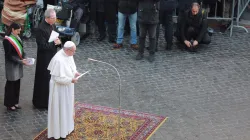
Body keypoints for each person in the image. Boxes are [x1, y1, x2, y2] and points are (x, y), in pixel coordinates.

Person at [47, 41, 80, 139]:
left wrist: (75, 72)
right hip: (59, 90)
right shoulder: (58, 60)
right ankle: (60, 131)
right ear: (67, 50)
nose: (74, 53)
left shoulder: (69, 54)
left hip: (68, 86)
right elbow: (57, 78)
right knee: (60, 109)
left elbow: (71, 66)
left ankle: (68, 127)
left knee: (68, 106)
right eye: (73, 51)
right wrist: (71, 80)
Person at [32, 8, 62, 109]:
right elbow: (42, 46)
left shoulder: (53, 25)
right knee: (44, 80)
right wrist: (54, 43)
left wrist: (59, 42)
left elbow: (56, 38)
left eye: (55, 17)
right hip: (44, 59)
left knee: (51, 79)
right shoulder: (40, 29)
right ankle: (41, 102)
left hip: (52, 56)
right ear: (47, 18)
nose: (55, 20)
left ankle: (49, 100)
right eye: (53, 18)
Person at [3, 22, 29, 111]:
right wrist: (20, 61)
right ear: (13, 30)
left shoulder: (17, 37)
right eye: (17, 31)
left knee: (17, 84)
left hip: (18, 64)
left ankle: (15, 102)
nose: (19, 32)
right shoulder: (7, 40)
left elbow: (22, 50)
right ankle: (9, 104)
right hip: (12, 65)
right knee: (11, 85)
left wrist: (25, 58)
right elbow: (9, 55)